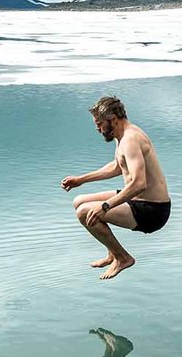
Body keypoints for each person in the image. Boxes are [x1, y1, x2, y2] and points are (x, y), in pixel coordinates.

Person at [61, 95, 171, 280]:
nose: (97, 128)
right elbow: (117, 166)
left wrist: (105, 206)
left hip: (152, 210)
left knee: (84, 213)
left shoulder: (131, 140)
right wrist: (81, 180)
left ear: (112, 119)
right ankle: (112, 252)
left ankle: (122, 258)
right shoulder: (123, 135)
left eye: (99, 123)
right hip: (137, 200)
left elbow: (138, 183)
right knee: (78, 201)